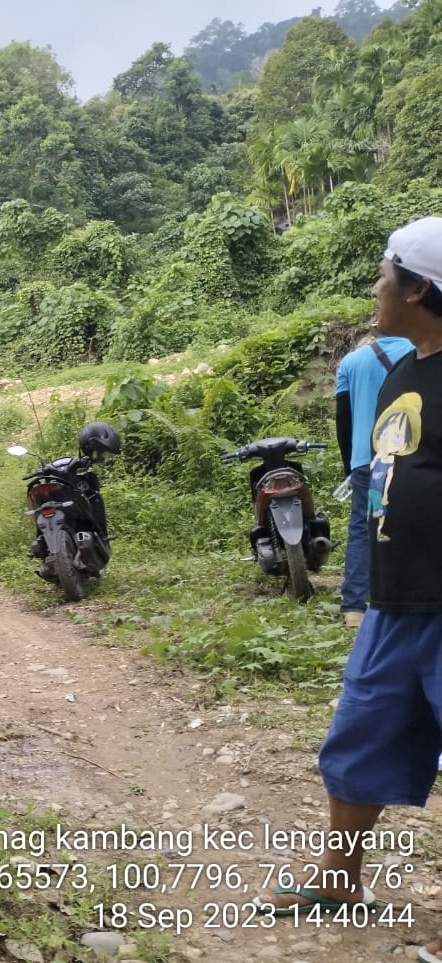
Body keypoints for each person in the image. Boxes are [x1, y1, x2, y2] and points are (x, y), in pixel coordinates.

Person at [255, 219, 442, 946]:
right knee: (356, 739)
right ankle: (340, 880)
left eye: (385, 274)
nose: (375, 287)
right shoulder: (402, 368)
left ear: (419, 288)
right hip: (397, 604)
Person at [334, 333, 411, 628]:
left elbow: (344, 418)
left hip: (367, 461)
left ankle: (354, 607)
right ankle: (406, 601)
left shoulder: (351, 362)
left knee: (362, 530)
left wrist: (351, 465)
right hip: (410, 457)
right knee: (411, 523)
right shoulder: (421, 351)